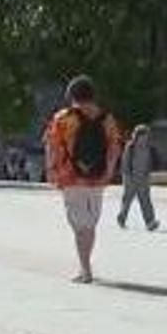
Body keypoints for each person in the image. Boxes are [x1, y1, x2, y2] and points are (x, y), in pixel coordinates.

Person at [44, 75, 122, 283]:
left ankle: (85, 269)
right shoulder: (107, 119)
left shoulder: (63, 118)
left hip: (71, 177)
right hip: (97, 178)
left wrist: (51, 170)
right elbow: (114, 147)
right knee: (90, 224)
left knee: (80, 227)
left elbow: (52, 146)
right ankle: (85, 264)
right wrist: (109, 171)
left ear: (72, 95)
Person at [117, 123, 159, 231]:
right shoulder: (130, 147)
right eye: (143, 136)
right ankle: (121, 218)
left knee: (146, 201)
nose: (145, 138)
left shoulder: (148, 148)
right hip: (130, 178)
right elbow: (125, 163)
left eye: (146, 136)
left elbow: (149, 163)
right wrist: (127, 176)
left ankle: (150, 222)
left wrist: (147, 176)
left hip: (143, 178)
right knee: (127, 200)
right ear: (137, 136)